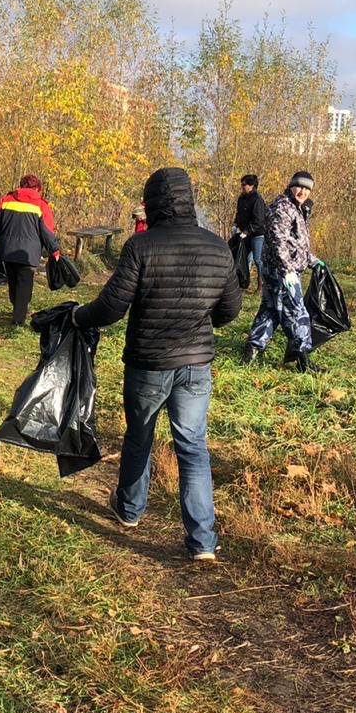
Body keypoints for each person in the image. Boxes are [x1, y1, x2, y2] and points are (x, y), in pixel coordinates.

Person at [72, 167, 242, 561]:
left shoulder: (141, 246)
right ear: (190, 201)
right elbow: (230, 309)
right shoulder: (219, 247)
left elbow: (113, 306)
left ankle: (130, 510)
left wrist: (79, 317)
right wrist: (202, 320)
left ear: (151, 204)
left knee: (139, 437)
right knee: (193, 447)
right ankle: (202, 541)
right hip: (196, 366)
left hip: (148, 363)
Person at [243, 170, 326, 373]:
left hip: (279, 268)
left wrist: (313, 261)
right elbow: (278, 240)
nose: (303, 191)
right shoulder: (283, 207)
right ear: (291, 186)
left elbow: (296, 244)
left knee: (270, 309)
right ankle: (303, 359)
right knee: (297, 311)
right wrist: (288, 270)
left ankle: (252, 350)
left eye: (307, 188)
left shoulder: (298, 208)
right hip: (281, 270)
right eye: (299, 186)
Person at [0, 174, 60, 325]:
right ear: (37, 188)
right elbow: (47, 231)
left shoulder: (7, 200)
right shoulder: (40, 205)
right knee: (25, 285)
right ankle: (19, 319)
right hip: (28, 253)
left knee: (13, 281)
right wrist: (55, 251)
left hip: (7, 250)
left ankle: (17, 310)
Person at [232, 173, 268, 289]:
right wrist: (235, 224)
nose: (242, 187)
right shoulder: (241, 198)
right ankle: (244, 282)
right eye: (241, 185)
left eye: (244, 185)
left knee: (258, 260)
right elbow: (239, 214)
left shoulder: (257, 199)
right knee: (245, 258)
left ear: (251, 186)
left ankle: (261, 286)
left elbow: (259, 220)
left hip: (257, 234)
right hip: (245, 234)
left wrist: (247, 231)